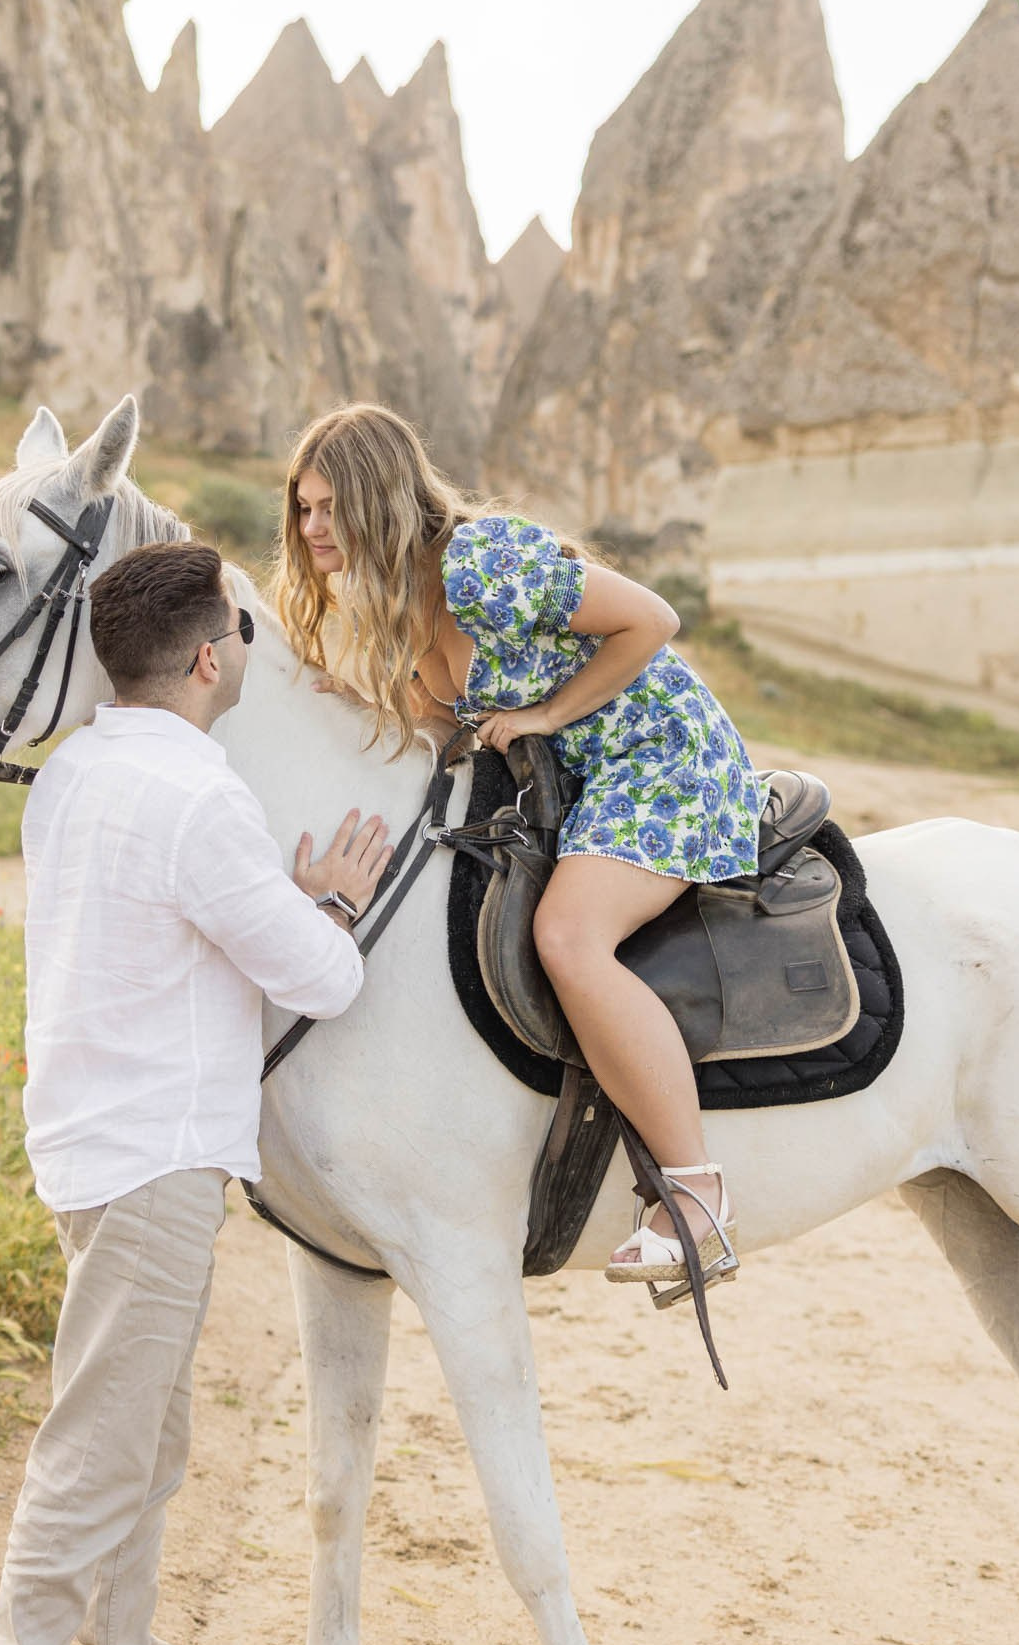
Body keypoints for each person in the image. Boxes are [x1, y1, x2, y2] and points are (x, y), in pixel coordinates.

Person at [0, 536, 391, 1645]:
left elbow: (170, 933)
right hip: (153, 1160)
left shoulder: (79, 772)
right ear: (207, 658)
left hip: (98, 1147)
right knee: (96, 1455)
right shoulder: (201, 796)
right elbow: (321, 978)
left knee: (146, 1441)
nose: (251, 648)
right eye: (244, 632)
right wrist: (333, 905)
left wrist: (276, 904)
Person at [276, 404, 763, 1292]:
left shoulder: (482, 561)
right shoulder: (397, 600)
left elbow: (650, 620)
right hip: (579, 777)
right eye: (302, 509)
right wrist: (352, 709)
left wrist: (546, 714)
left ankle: (696, 1193)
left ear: (378, 499)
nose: (311, 528)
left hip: (660, 759)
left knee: (568, 938)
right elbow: (446, 724)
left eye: (329, 508)